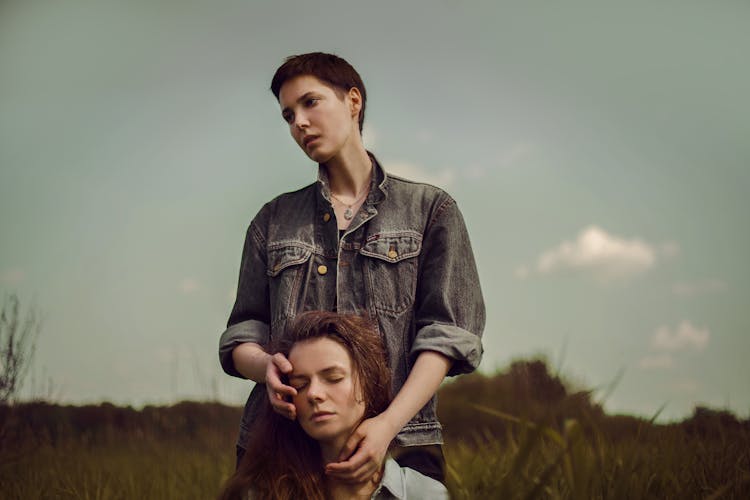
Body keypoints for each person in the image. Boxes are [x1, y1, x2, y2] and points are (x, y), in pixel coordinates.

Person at [219, 52, 485, 484]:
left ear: (353, 102)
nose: (298, 124)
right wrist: (263, 367)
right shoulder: (272, 220)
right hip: (282, 444)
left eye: (310, 103)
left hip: (403, 442)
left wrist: (387, 425)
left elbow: (448, 334)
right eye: (288, 115)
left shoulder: (430, 210)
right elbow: (243, 331)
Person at [218, 311, 449, 499]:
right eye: (300, 384)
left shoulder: (424, 493)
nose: (314, 394)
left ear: (369, 382)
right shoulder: (257, 494)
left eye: (334, 378)